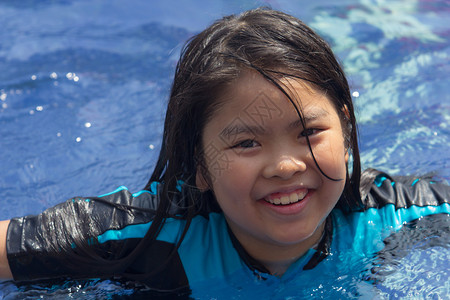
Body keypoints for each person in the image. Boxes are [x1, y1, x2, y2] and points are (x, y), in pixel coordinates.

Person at [0, 7, 449, 298]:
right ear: (199, 165)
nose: (286, 165)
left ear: (347, 132)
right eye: (246, 143)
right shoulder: (149, 235)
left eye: (309, 131)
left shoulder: (400, 213)